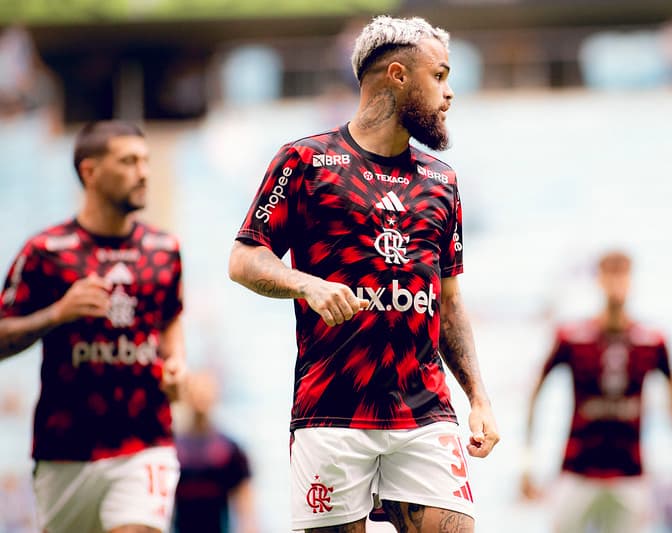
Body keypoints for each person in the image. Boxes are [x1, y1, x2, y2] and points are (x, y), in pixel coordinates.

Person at [228, 15, 499, 533]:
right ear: (397, 75)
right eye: (438, 76)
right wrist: (304, 282)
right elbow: (244, 259)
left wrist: (478, 397)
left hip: (424, 412)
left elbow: (449, 300)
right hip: (331, 411)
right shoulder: (305, 161)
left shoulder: (442, 180)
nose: (449, 93)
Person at [0, 120, 186, 533]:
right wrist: (56, 313)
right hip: (65, 449)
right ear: (90, 171)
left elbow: (171, 316)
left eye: (146, 161)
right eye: (129, 161)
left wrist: (177, 362)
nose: (144, 172)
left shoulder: (164, 249)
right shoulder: (45, 252)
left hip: (145, 441)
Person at [519, 251, 672, 533]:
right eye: (610, 275)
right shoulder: (572, 337)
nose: (617, 284)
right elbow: (536, 390)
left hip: (629, 474)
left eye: (623, 275)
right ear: (598, 280)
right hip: (577, 471)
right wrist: (528, 461)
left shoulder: (651, 341)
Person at [173, 371, 258, 533]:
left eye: (206, 391)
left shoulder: (229, 450)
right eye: (196, 390)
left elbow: (246, 510)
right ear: (186, 395)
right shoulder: (173, 451)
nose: (201, 396)